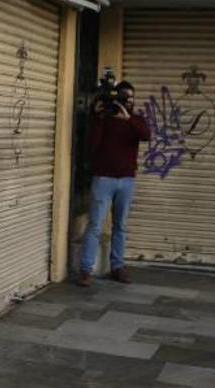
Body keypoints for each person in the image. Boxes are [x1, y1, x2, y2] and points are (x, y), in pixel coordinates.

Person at [76, 80, 150, 286]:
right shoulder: (104, 120)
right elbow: (92, 145)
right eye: (123, 98)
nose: (127, 102)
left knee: (121, 225)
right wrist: (99, 118)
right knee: (95, 225)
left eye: (130, 98)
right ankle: (85, 270)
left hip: (126, 180)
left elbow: (146, 135)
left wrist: (128, 120)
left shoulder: (136, 120)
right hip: (103, 179)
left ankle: (117, 267)